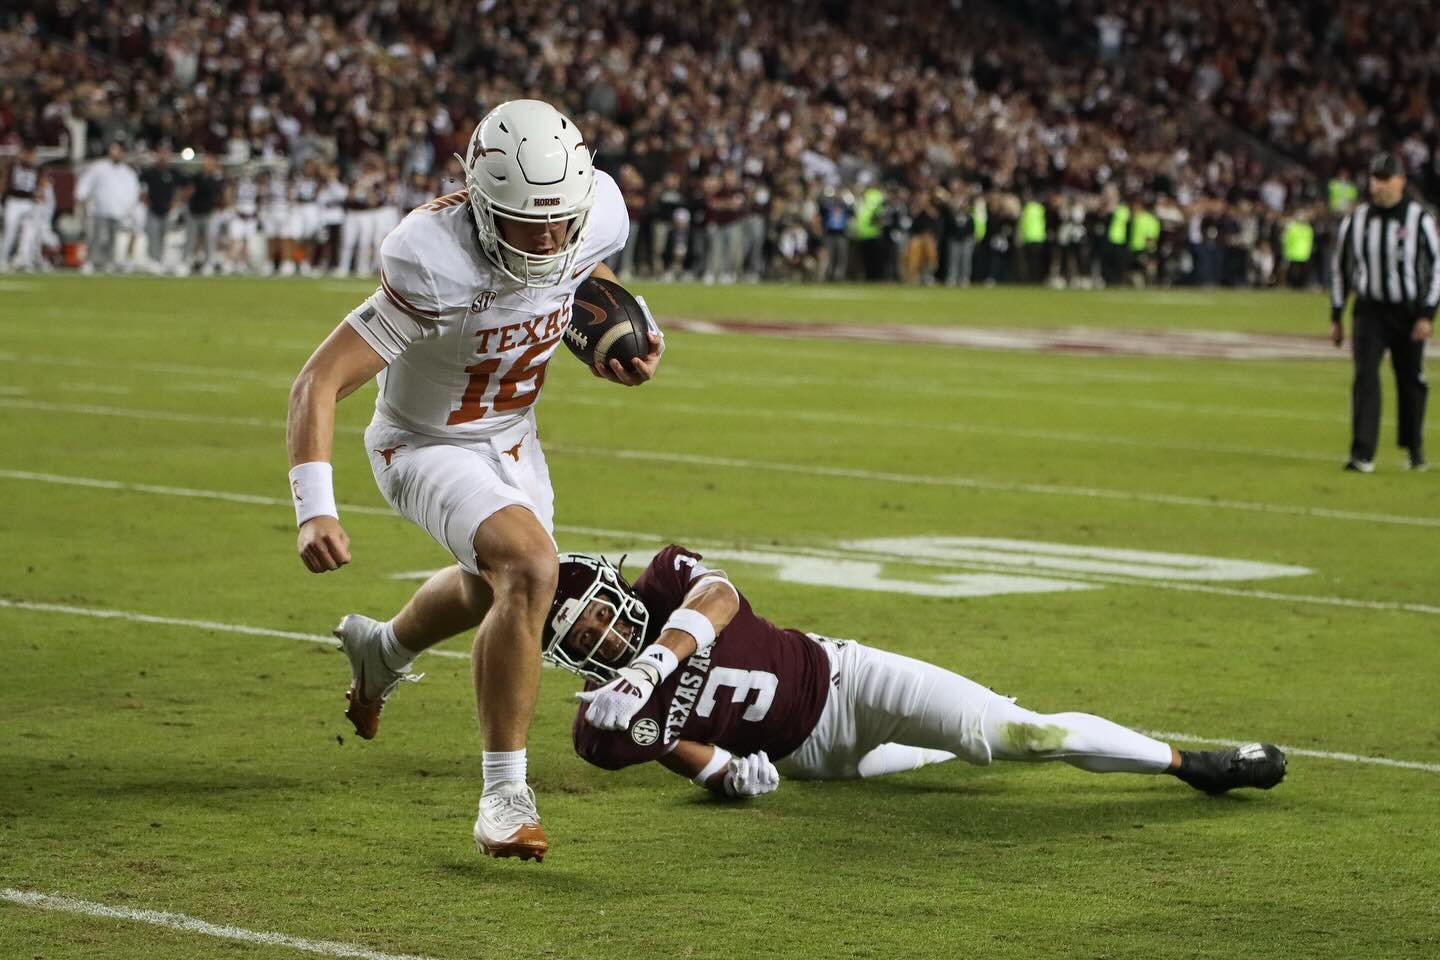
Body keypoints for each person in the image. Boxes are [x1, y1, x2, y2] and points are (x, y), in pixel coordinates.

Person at [284, 100, 663, 863]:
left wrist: (615, 333)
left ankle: (382, 651)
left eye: (563, 219)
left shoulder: (595, 215)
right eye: (530, 222)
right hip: (422, 443)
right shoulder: (433, 256)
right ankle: (503, 796)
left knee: (496, 586)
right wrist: (313, 509)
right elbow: (318, 382)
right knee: (530, 568)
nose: (551, 237)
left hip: (512, 438)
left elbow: (585, 274)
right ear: (484, 207)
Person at [547, 547, 1287, 800]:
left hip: (848, 681)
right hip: (810, 763)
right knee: (955, 752)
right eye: (583, 636)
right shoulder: (602, 723)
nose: (602, 635)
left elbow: (721, 597)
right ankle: (960, 736)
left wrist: (652, 664)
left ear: (614, 592)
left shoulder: (667, 580)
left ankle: (1194, 764)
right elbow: (672, 742)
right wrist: (723, 777)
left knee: (1017, 735)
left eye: (598, 614)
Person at [1330, 152, 1440, 472]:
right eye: (1376, 179)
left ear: (1401, 181)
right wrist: (1336, 314)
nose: (1380, 186)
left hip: (1408, 311)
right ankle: (1362, 453)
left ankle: (1414, 447)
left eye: (1386, 179)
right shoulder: (1357, 219)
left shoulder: (1419, 219)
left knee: (1411, 380)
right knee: (1365, 377)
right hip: (1370, 311)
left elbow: (1437, 267)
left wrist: (1427, 314)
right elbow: (1341, 268)